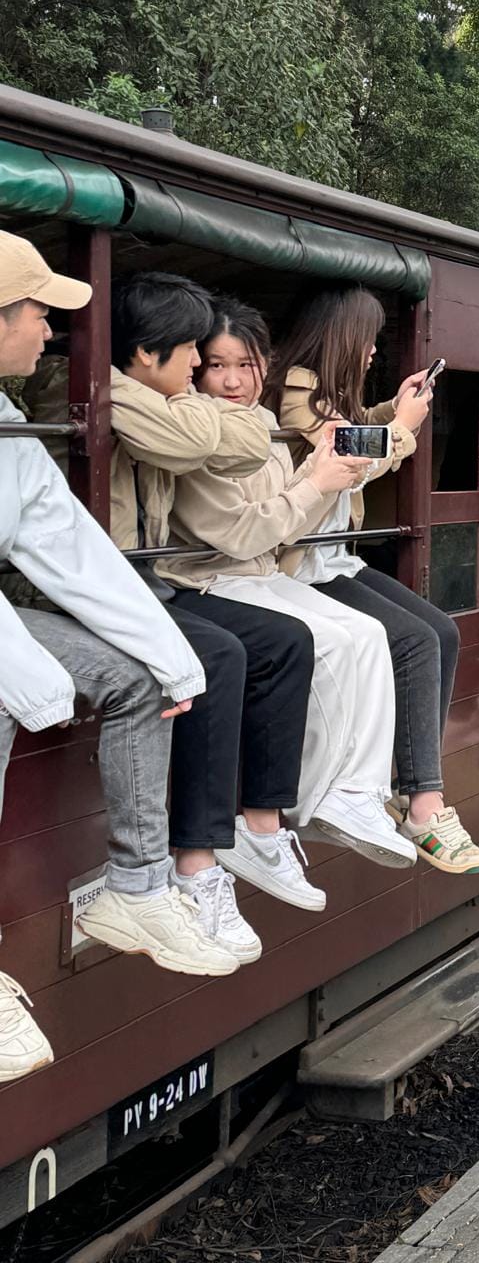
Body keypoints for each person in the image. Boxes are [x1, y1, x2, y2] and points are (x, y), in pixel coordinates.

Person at [0, 236, 240, 1081]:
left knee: (138, 680)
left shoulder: (6, 425)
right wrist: (30, 677)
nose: (52, 331)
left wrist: (172, 660)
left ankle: (134, 891)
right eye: (39, 312)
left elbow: (73, 550)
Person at [163, 297, 418, 881]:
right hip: (210, 576)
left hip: (257, 570)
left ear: (264, 365)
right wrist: (324, 480)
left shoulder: (264, 425)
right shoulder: (200, 429)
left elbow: (286, 524)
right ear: (196, 369)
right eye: (217, 365)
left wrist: (321, 476)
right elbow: (241, 532)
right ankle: (296, 806)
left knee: (366, 634)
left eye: (247, 365)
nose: (232, 380)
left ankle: (356, 790)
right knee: (311, 640)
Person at [110, 272, 320, 964]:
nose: (205, 371)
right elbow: (200, 448)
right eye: (197, 358)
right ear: (147, 353)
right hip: (119, 584)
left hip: (140, 583)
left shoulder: (165, 399)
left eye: (233, 364)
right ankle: (193, 863)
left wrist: (203, 414)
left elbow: (243, 445)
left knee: (286, 640)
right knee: (219, 656)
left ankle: (261, 825)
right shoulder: (107, 392)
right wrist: (212, 416)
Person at [266, 287, 479, 873]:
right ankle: (424, 802)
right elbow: (342, 450)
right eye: (368, 339)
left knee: (440, 632)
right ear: (343, 337)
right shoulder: (294, 386)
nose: (372, 351)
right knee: (413, 640)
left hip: (333, 555)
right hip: (302, 562)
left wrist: (394, 408)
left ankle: (409, 782)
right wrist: (406, 429)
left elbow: (350, 427)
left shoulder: (323, 393)